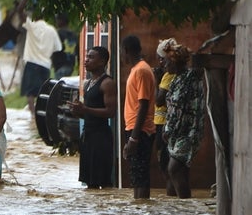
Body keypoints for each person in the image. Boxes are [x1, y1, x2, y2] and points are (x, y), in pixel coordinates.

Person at [161, 41, 205, 199]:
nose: (163, 64)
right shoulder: (176, 80)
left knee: (174, 168)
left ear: (173, 61)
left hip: (188, 131)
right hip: (176, 133)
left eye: (165, 61)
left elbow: (179, 110)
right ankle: (182, 211)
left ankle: (185, 204)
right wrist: (167, 128)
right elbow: (171, 108)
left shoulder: (189, 79)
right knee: (180, 170)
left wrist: (168, 129)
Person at [70, 46, 118, 189]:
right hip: (88, 136)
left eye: (91, 57)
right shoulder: (88, 84)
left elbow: (110, 112)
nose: (86, 60)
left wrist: (85, 109)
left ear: (102, 62)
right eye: (86, 57)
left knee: (103, 181)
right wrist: (77, 111)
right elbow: (88, 113)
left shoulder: (107, 83)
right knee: (90, 182)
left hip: (101, 137)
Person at [120, 35, 156, 200]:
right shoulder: (137, 70)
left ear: (126, 50)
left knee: (140, 177)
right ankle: (139, 213)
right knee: (136, 176)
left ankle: (142, 212)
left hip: (140, 130)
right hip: (135, 129)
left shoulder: (141, 70)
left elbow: (143, 104)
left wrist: (134, 139)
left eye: (121, 51)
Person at [20, 10, 62, 118]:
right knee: (42, 91)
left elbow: (20, 11)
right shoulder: (51, 30)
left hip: (32, 63)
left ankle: (33, 114)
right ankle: (41, 114)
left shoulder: (31, 26)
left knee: (30, 92)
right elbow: (58, 48)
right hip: (45, 65)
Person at [153, 38, 177, 196]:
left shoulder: (168, 76)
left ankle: (172, 195)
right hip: (165, 124)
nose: (160, 62)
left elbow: (159, 100)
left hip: (165, 125)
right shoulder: (168, 74)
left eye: (161, 59)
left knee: (166, 165)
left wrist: (156, 80)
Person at [51, 13, 78, 79]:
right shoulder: (74, 35)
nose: (56, 22)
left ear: (62, 21)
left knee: (59, 87)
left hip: (60, 64)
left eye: (57, 20)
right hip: (70, 64)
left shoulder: (58, 33)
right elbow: (78, 50)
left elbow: (53, 48)